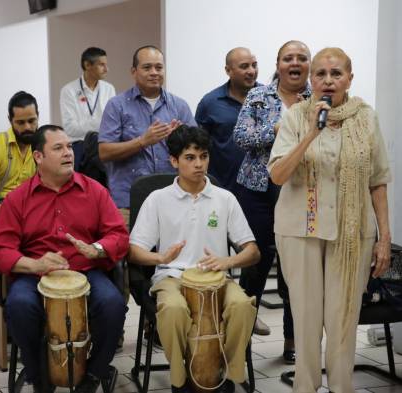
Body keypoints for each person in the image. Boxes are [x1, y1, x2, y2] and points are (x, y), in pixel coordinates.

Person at [268, 47, 391, 393]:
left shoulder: (366, 117)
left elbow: (378, 179)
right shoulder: (296, 117)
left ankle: (341, 387)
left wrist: (384, 237)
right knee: (306, 320)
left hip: (352, 237)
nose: (327, 80)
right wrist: (311, 132)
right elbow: (277, 175)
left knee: (343, 320)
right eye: (320, 74)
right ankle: (305, 388)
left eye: (336, 73)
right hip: (299, 231)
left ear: (349, 78)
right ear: (311, 79)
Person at [0, 125, 128, 393]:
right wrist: (34, 265)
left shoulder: (95, 191)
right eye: (58, 148)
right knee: (19, 307)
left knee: (113, 305)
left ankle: (93, 375)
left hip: (85, 271)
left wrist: (95, 248)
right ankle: (40, 377)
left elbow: (119, 236)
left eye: (69, 147)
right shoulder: (18, 199)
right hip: (35, 274)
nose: (68, 153)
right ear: (38, 157)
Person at [129, 125, 259, 393]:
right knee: (174, 310)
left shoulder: (225, 198)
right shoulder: (157, 199)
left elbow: (252, 251)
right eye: (190, 157)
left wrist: (227, 262)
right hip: (171, 277)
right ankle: (180, 380)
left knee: (243, 306)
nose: (199, 164)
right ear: (174, 161)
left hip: (216, 278)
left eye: (204, 156)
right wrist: (160, 256)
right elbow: (133, 250)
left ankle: (228, 374)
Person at [233, 40, 312, 362]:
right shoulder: (259, 95)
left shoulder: (317, 98)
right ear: (277, 64)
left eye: (301, 58)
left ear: (308, 64)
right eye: (288, 58)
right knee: (256, 264)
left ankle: (292, 343)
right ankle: (242, 340)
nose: (295, 63)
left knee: (295, 271)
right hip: (258, 192)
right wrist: (275, 128)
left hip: (300, 193)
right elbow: (240, 137)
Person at [98, 45, 195, 221]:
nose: (154, 72)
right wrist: (142, 141)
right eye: (147, 67)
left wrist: (178, 139)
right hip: (128, 202)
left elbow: (196, 153)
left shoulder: (179, 106)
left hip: (174, 200)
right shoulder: (117, 105)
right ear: (134, 71)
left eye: (159, 67)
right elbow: (104, 152)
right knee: (127, 248)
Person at [195, 47, 259, 194]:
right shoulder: (209, 103)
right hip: (223, 190)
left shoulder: (269, 98)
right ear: (228, 70)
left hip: (263, 191)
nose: (251, 71)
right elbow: (198, 146)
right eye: (244, 66)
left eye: (254, 65)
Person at [0, 91, 38, 216]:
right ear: (10, 120)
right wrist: (14, 217)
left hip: (32, 208)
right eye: (20, 122)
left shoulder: (44, 145)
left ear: (38, 116)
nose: (27, 127)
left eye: (31, 121)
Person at [60, 47, 116, 169]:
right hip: (79, 147)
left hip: (103, 145)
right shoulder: (69, 90)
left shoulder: (109, 89)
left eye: (106, 64)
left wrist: (97, 126)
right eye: (102, 65)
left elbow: (113, 123)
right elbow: (70, 128)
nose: (107, 69)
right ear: (87, 65)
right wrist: (101, 124)